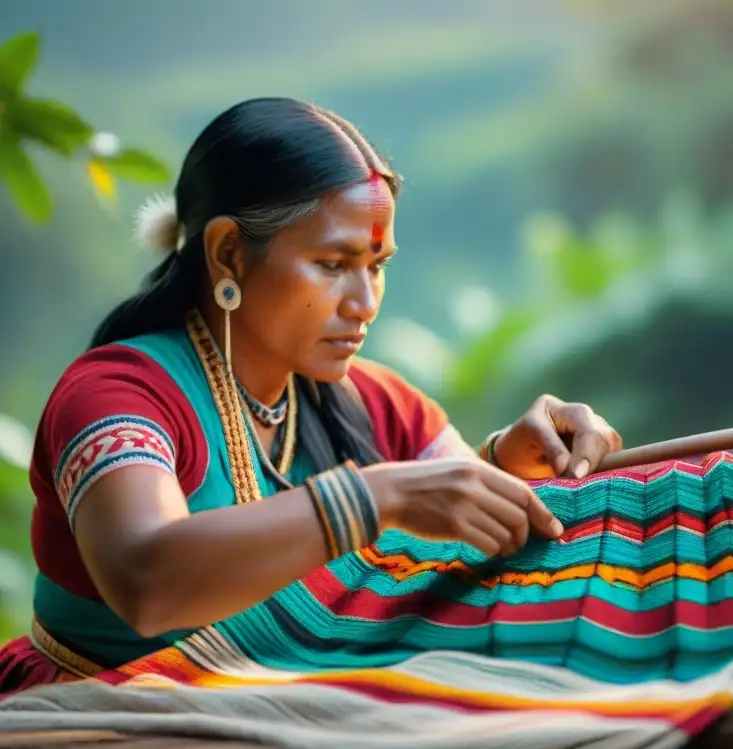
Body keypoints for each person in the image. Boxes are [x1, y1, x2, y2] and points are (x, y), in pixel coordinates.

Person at [0, 97, 622, 692]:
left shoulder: (379, 404)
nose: (366, 303)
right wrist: (375, 498)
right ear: (229, 254)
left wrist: (512, 464)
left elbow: (448, 516)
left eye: (375, 266)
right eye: (332, 264)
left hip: (289, 715)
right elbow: (147, 582)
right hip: (99, 723)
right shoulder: (120, 396)